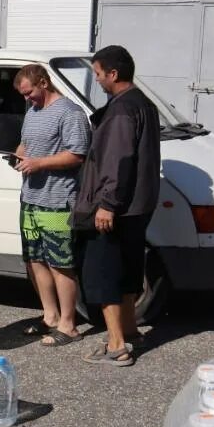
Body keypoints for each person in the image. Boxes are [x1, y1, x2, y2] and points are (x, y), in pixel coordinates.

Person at [73, 45, 160, 367]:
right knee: (128, 272)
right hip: (138, 206)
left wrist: (107, 204)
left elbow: (117, 160)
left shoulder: (122, 110)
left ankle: (117, 344)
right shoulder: (144, 104)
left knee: (103, 274)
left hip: (116, 208)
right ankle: (131, 331)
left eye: (97, 73)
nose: (96, 79)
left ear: (113, 74)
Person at [13, 64, 91, 347]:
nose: (27, 99)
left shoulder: (70, 113)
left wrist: (40, 163)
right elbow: (26, 144)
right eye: (23, 95)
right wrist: (18, 156)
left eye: (29, 93)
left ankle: (69, 325)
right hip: (30, 199)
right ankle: (50, 317)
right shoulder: (32, 112)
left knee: (60, 263)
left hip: (57, 201)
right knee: (34, 260)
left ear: (43, 83)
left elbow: (77, 155)